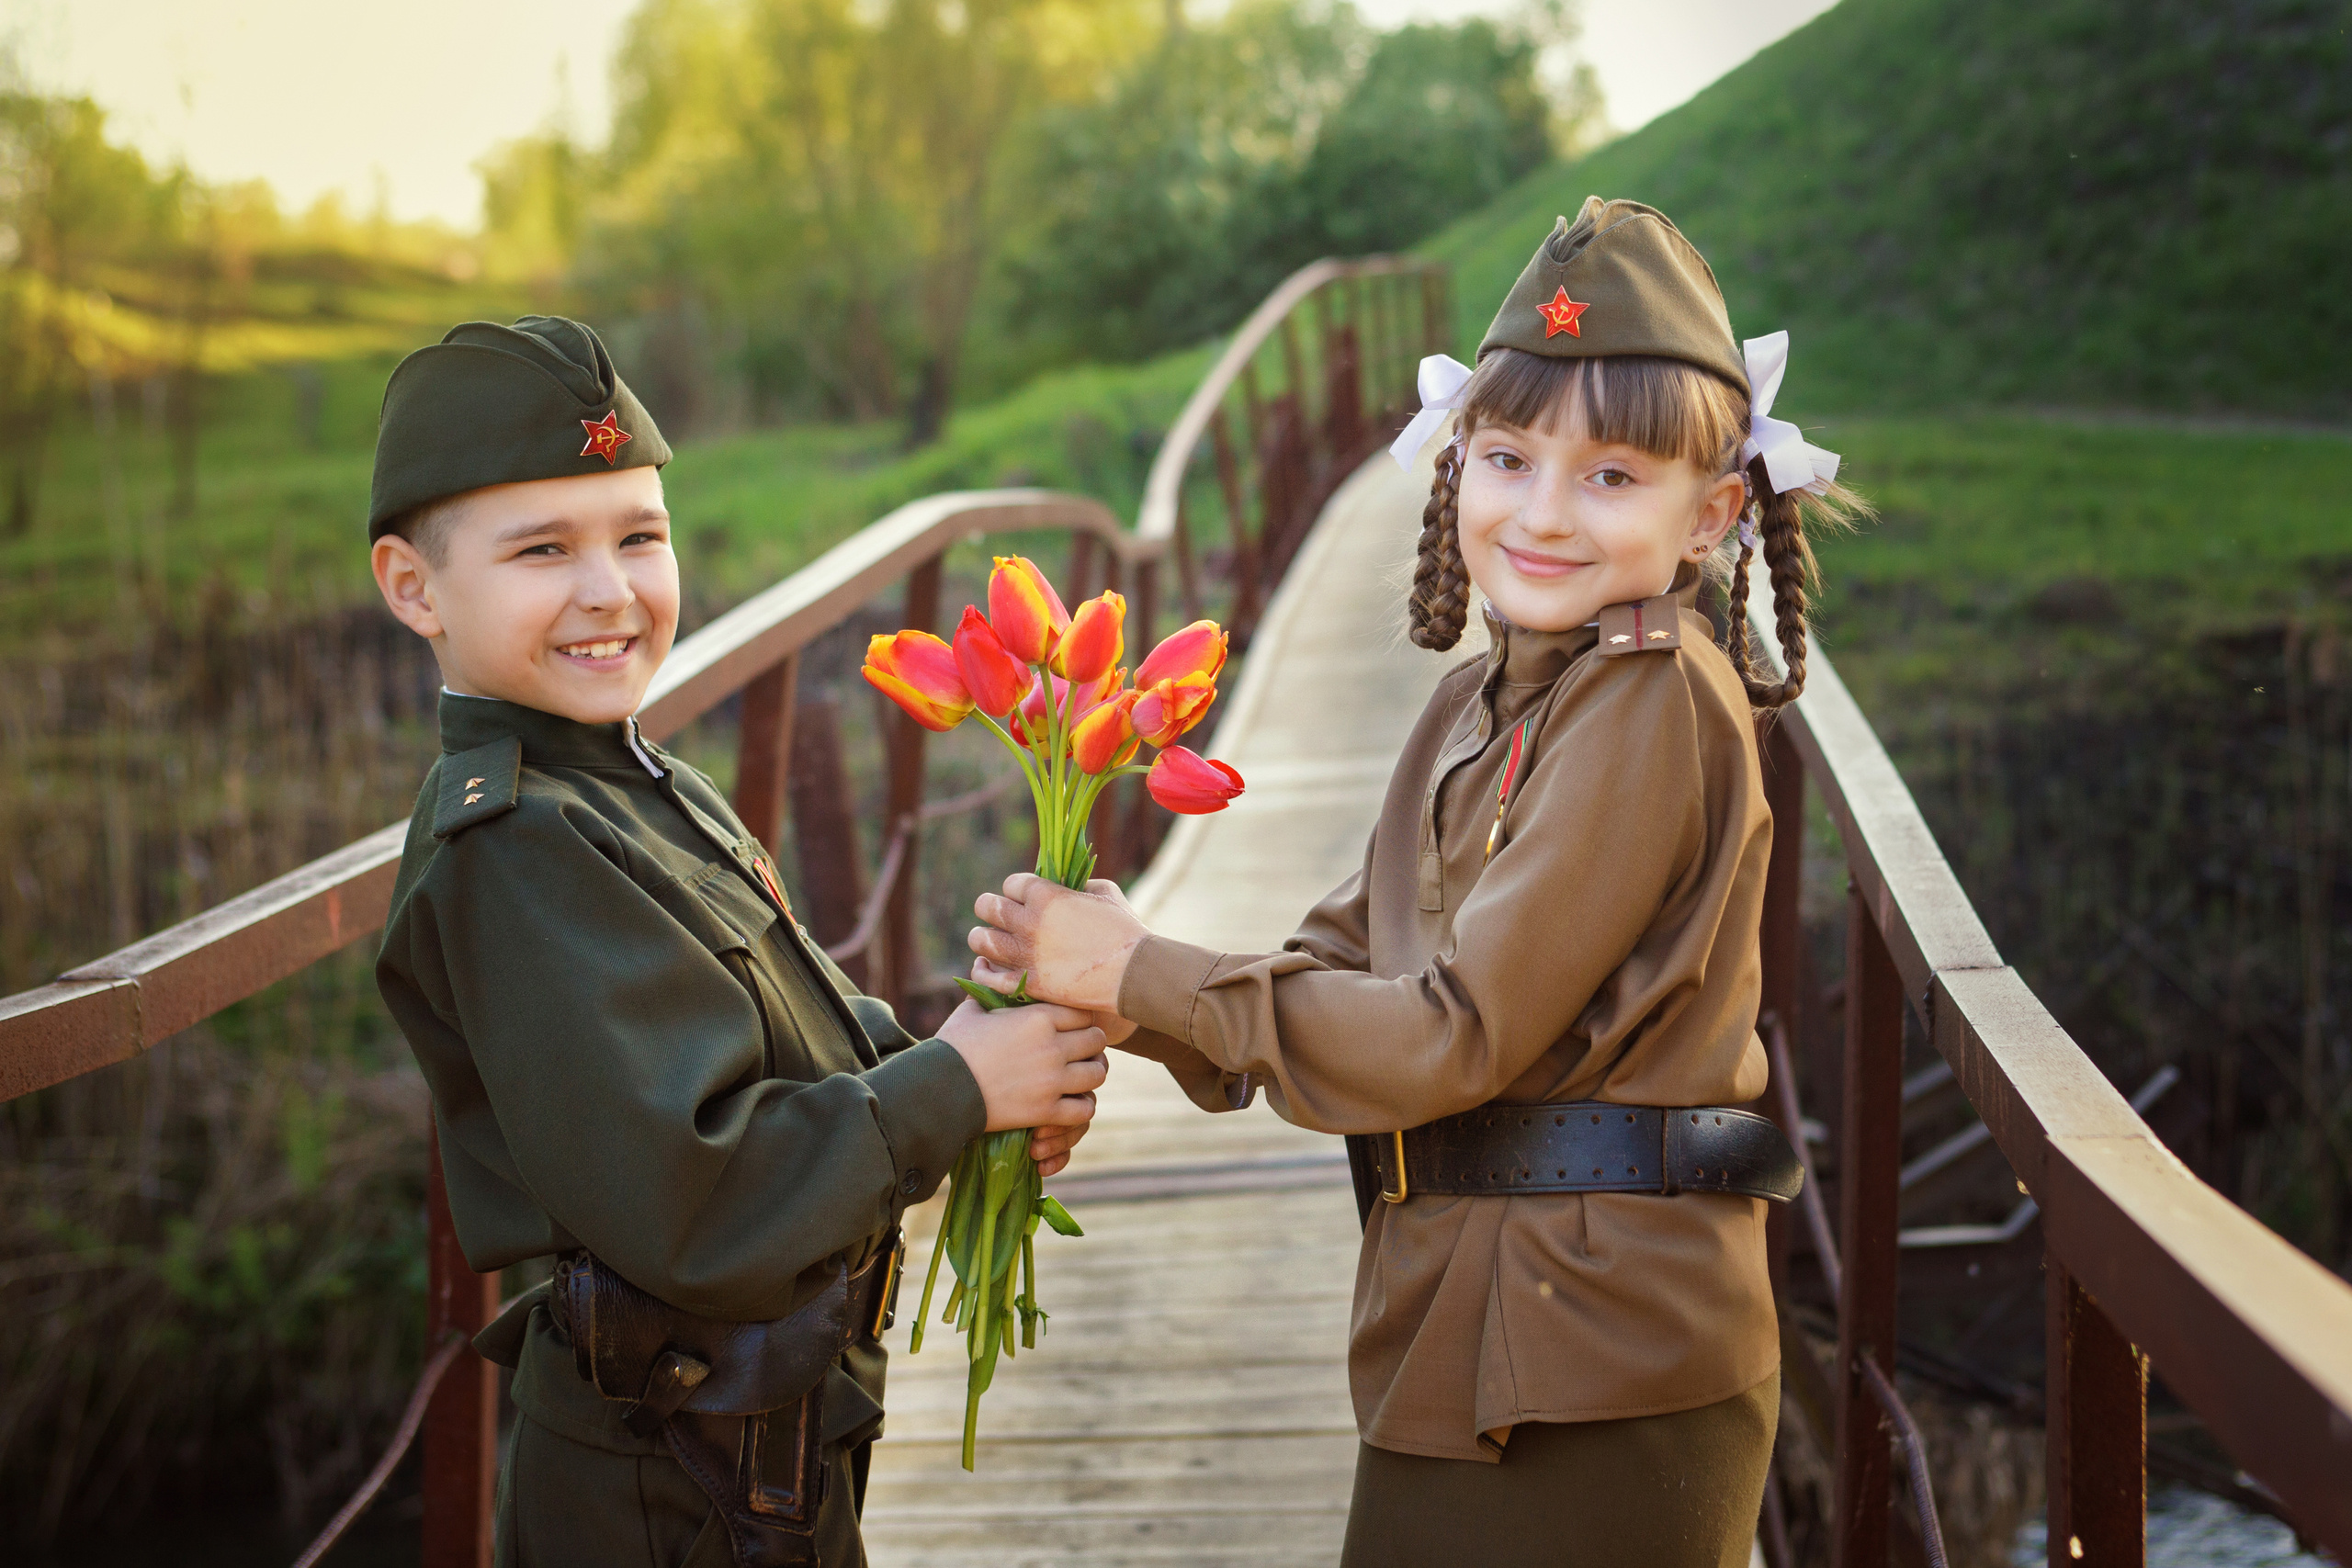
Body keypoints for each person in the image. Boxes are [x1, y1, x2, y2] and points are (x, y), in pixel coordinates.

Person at [967, 198, 1869, 1567]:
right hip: (1485, 1331)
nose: (1544, 515)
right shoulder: (1483, 700)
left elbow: (1455, 1029)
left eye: (1612, 477)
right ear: (1458, 465)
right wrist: (1108, 996)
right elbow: (1337, 958)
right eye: (1508, 459)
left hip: (1591, 1363)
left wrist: (1140, 976)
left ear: (1715, 515)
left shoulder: (1650, 698)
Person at [368, 315, 1109, 1568]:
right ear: (414, 587)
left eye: (638, 537)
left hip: (756, 1445)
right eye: (543, 549)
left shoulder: (627, 781)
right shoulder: (516, 852)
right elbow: (695, 1197)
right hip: (666, 1488)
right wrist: (953, 1087)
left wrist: (972, 1065)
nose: (610, 590)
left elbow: (788, 1038)